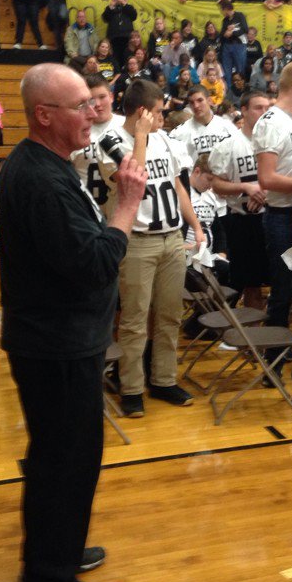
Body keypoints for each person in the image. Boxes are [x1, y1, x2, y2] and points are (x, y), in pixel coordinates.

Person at [0, 62, 147, 582]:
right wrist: (127, 206)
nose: (93, 113)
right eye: (81, 105)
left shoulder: (45, 165)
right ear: (44, 115)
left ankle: (56, 551)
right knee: (66, 461)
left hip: (56, 340)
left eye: (92, 103)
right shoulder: (40, 179)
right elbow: (95, 264)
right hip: (56, 345)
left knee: (61, 458)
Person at [95, 79, 205, 417]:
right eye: (158, 112)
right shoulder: (109, 141)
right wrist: (141, 136)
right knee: (134, 319)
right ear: (143, 112)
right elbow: (134, 180)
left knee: (170, 315)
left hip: (171, 237)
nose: (162, 118)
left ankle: (163, 379)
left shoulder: (164, 140)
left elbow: (176, 186)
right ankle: (130, 387)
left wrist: (196, 226)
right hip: (137, 241)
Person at [252, 62, 292, 358]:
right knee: (283, 290)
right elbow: (267, 178)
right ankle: (273, 357)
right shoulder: (271, 121)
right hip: (282, 217)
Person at [209, 90, 271, 309]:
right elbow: (216, 185)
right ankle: (254, 339)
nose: (264, 113)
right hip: (243, 222)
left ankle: (276, 337)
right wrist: (245, 187)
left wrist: (265, 192)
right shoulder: (228, 145)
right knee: (251, 285)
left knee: (282, 282)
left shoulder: (277, 142)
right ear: (243, 110)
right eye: (258, 108)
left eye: (267, 108)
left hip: (275, 218)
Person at [71, 74, 126, 210]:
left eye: (102, 97)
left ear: (112, 96)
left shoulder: (128, 126)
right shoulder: (74, 133)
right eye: (91, 100)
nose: (97, 105)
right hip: (87, 213)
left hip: (121, 212)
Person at [172, 86, 236, 163]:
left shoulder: (228, 127)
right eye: (192, 103)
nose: (196, 106)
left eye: (200, 100)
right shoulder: (179, 133)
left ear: (209, 100)